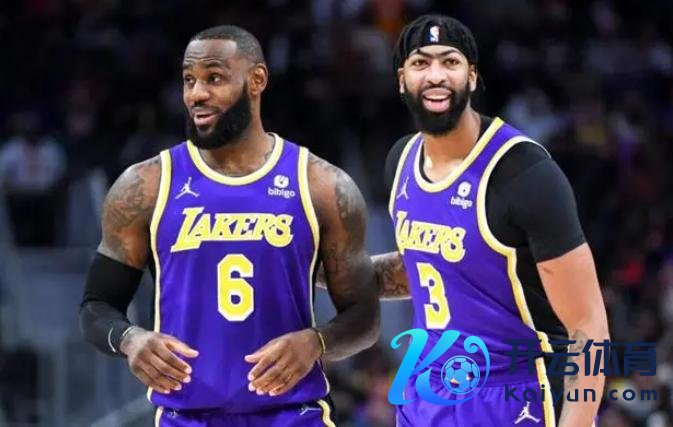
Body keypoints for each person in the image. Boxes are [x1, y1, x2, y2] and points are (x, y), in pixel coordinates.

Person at [79, 25, 380, 426]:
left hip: (293, 415)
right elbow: (96, 306)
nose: (196, 94)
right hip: (187, 416)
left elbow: (363, 317)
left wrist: (317, 341)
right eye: (189, 80)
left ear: (257, 80)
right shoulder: (145, 185)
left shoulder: (321, 185)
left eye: (214, 78)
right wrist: (130, 339)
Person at [323, 14, 610, 426]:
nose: (436, 76)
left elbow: (588, 325)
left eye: (450, 62)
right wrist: (322, 270)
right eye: (421, 63)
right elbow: (431, 268)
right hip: (427, 391)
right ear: (402, 79)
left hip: (515, 395)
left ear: (472, 76)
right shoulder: (401, 161)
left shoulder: (523, 173)